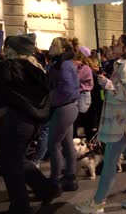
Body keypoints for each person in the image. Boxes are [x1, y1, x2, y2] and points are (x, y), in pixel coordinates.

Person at [0, 34, 58, 213]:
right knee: (18, 161)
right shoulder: (34, 68)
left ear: (13, 51)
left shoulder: (15, 67)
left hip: (17, 123)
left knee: (10, 166)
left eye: (7, 48)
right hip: (29, 123)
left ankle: (20, 207)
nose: (4, 51)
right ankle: (47, 190)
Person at [75, 34, 126, 213]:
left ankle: (97, 203)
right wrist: (107, 83)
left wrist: (109, 85)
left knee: (110, 161)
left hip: (123, 123)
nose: (114, 46)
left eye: (118, 44)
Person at [47, 37, 80, 192]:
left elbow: (67, 89)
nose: (50, 47)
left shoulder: (64, 65)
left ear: (61, 49)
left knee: (53, 145)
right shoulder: (61, 63)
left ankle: (55, 181)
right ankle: (69, 177)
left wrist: (51, 99)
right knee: (66, 145)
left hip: (63, 108)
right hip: (66, 107)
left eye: (54, 45)